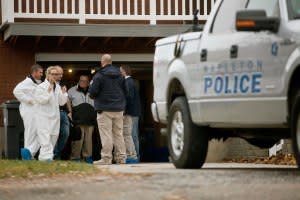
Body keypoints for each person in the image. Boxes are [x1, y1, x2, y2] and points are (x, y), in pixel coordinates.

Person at [89, 54, 127, 165]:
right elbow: (126, 91)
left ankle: (106, 158)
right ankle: (121, 158)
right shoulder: (120, 75)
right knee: (118, 134)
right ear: (111, 62)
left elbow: (93, 93)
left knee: (106, 134)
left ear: (102, 62)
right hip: (119, 109)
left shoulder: (99, 75)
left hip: (104, 109)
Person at [34, 66, 68, 161]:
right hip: (44, 117)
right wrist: (48, 92)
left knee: (53, 137)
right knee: (45, 139)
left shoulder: (57, 87)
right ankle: (46, 158)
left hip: (55, 117)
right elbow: (41, 100)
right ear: (48, 75)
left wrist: (64, 93)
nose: (54, 76)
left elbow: (61, 102)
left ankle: (44, 158)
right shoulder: (41, 87)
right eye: (52, 74)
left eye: (56, 74)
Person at [13, 64, 43, 160]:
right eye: (40, 72)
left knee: (38, 133)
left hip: (37, 112)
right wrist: (28, 100)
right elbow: (16, 91)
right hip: (29, 112)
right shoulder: (27, 82)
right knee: (30, 133)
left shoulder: (38, 82)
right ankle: (27, 155)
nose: (42, 74)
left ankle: (28, 153)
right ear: (34, 72)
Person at [68, 75, 96, 164]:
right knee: (77, 139)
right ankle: (75, 157)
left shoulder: (93, 91)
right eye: (81, 80)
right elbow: (67, 101)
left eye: (85, 81)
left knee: (88, 140)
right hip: (77, 119)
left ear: (88, 82)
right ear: (79, 81)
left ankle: (87, 157)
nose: (83, 82)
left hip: (90, 119)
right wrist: (70, 112)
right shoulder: (71, 90)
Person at [120, 65, 140, 163]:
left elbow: (129, 98)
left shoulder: (128, 82)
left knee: (132, 135)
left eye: (120, 71)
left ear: (124, 71)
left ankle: (134, 157)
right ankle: (134, 156)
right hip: (133, 112)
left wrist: (124, 111)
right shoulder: (131, 82)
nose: (119, 73)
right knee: (131, 135)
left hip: (131, 113)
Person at [53, 66, 72, 160]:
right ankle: (54, 156)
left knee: (65, 133)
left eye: (61, 74)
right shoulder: (49, 84)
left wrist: (70, 112)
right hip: (53, 113)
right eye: (59, 74)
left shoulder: (63, 84)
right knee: (54, 134)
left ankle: (56, 153)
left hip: (63, 113)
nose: (61, 76)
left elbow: (66, 98)